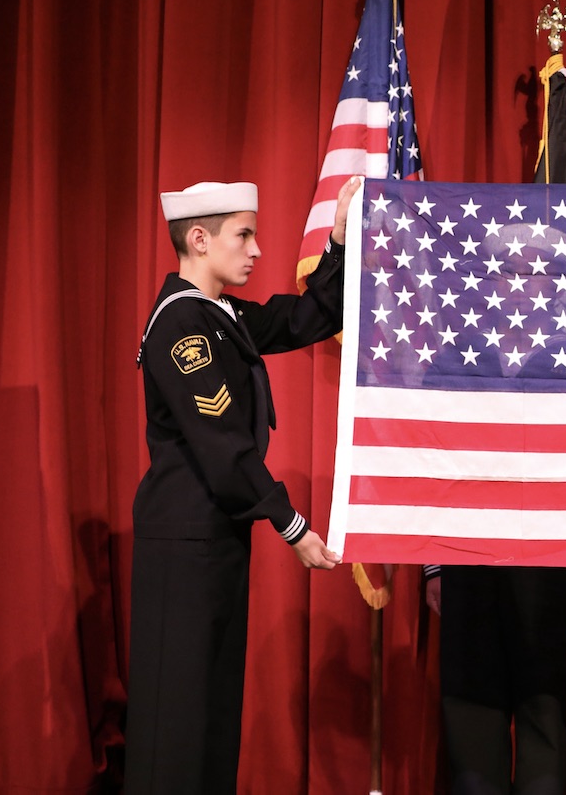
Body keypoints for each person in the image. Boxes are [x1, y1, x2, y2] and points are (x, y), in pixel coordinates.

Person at [126, 175, 361, 794]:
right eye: (244, 235)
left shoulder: (220, 314)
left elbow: (308, 317)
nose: (257, 250)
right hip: (183, 546)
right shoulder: (184, 328)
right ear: (198, 240)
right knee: (177, 725)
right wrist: (293, 526)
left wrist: (336, 241)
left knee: (212, 716)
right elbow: (223, 444)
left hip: (215, 541)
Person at [424, 565, 566, 795]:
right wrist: (434, 566)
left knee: (544, 715)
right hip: (464, 566)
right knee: (471, 716)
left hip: (549, 572)